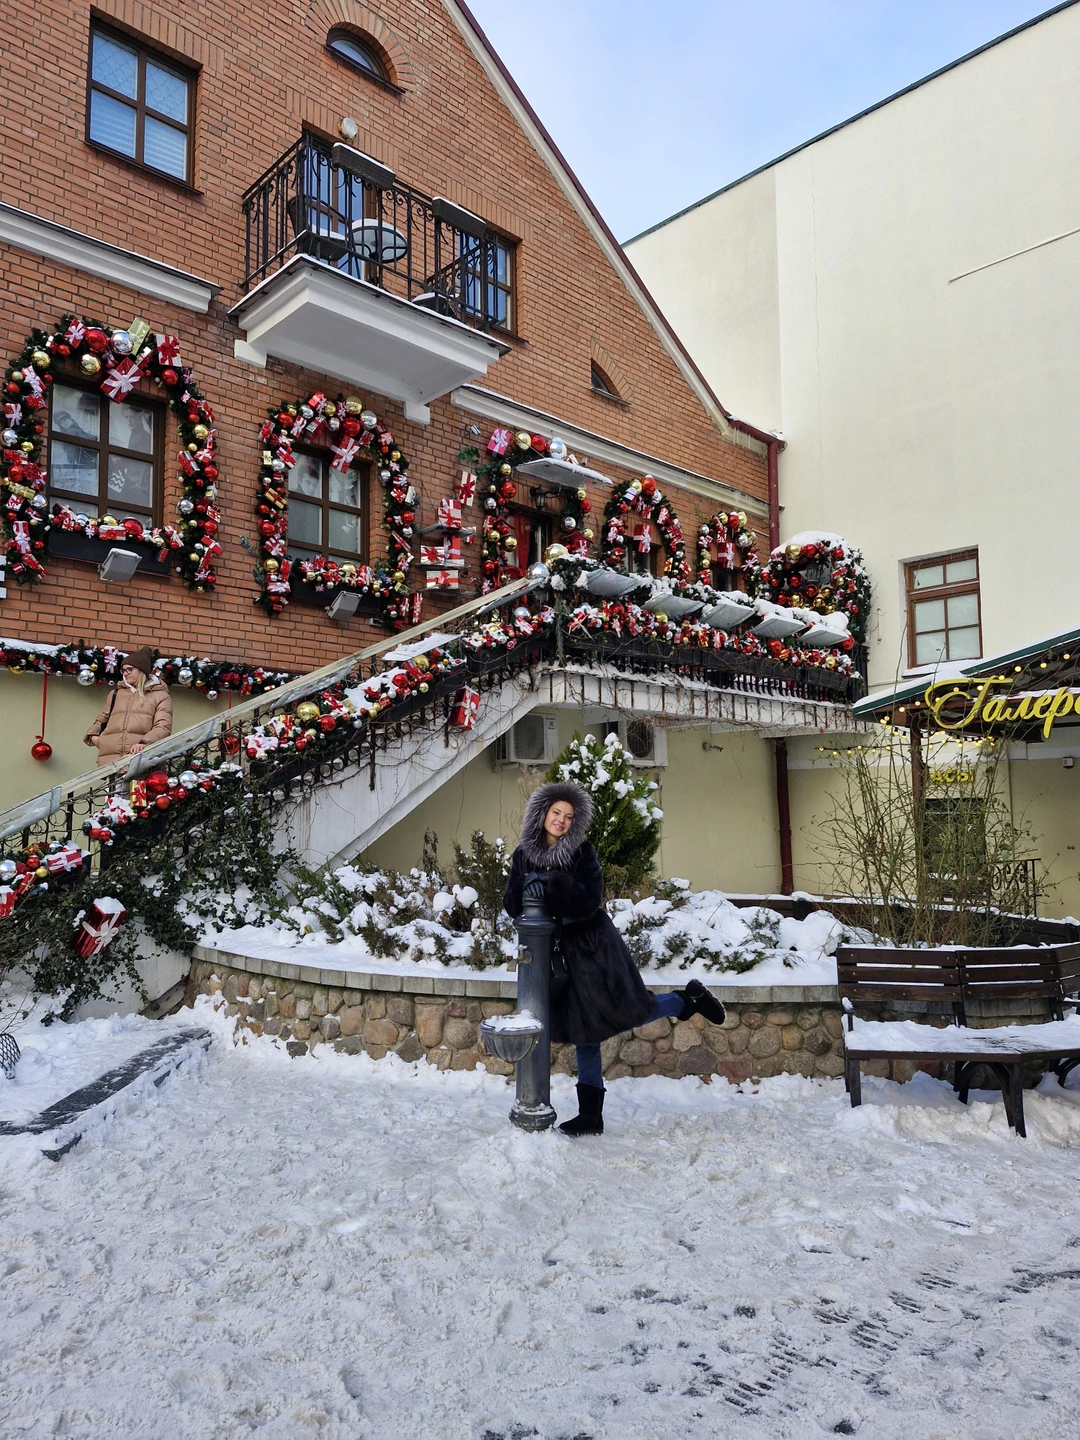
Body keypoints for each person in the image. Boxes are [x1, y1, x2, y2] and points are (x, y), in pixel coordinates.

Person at [503, 780, 727, 1137]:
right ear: (542, 813)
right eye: (555, 813)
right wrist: (524, 889)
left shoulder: (582, 853)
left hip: (593, 949)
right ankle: (591, 1116)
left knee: (628, 1009)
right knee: (584, 1031)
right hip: (556, 956)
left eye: (568, 816)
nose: (560, 820)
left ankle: (687, 1000)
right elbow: (514, 905)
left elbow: (589, 900)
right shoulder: (523, 855)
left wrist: (553, 886)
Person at [83, 646, 172, 767]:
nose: (125, 673)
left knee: (137, 787)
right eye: (123, 670)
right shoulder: (116, 693)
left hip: (141, 761)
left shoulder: (160, 695)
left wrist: (144, 743)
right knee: (112, 787)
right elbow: (101, 721)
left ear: (141, 671)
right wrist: (95, 738)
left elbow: (163, 727)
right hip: (111, 763)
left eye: (129, 669)